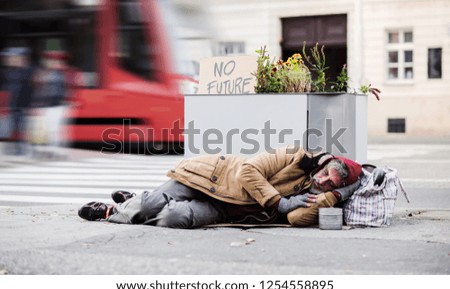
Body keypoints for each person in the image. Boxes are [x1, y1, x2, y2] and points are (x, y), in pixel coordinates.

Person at [78, 146, 362, 228]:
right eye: (325, 174)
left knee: (176, 218)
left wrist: (337, 195)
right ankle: (113, 210)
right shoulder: (296, 156)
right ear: (325, 163)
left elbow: (296, 218)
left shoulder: (318, 196)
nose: (321, 181)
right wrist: (279, 201)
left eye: (331, 184)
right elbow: (248, 170)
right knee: (152, 205)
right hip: (210, 177)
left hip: (224, 208)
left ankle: (133, 202)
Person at [30, 50, 68, 158]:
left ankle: (54, 150)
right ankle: (43, 150)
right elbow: (37, 91)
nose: (52, 63)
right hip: (43, 106)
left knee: (54, 129)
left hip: (56, 106)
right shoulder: (40, 74)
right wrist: (35, 105)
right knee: (41, 129)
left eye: (54, 61)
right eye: (49, 61)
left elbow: (64, 90)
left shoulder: (61, 74)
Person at [0, 47, 34, 155]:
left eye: (14, 58)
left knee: (22, 128)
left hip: (22, 106)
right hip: (10, 106)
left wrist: (31, 105)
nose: (10, 60)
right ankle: (12, 149)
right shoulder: (5, 72)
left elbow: (32, 89)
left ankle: (22, 149)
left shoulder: (28, 71)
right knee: (10, 129)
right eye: (9, 58)